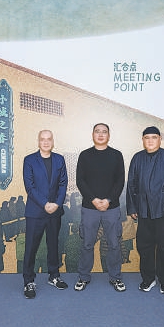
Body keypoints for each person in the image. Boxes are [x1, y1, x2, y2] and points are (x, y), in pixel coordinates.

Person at [126, 126, 164, 295]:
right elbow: (131, 184)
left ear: (160, 139)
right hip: (143, 210)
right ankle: (148, 279)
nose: (150, 141)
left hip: (163, 210)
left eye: (154, 137)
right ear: (143, 140)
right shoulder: (137, 158)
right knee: (144, 247)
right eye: (147, 138)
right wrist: (132, 207)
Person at [74, 123, 127, 292]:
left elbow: (120, 181)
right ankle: (83, 277)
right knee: (87, 244)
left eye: (104, 132)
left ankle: (115, 278)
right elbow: (80, 180)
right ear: (92, 135)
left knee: (114, 244)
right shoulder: (85, 155)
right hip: (90, 208)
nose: (101, 134)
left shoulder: (116, 155)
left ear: (109, 135)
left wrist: (109, 200)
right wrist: (94, 200)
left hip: (112, 208)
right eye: (97, 131)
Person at [21, 129, 69, 299]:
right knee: (31, 247)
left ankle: (54, 276)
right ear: (38, 141)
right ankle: (28, 281)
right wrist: (45, 204)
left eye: (49, 139)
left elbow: (63, 184)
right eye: (43, 139)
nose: (46, 142)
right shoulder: (29, 160)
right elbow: (30, 186)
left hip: (55, 211)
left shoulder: (59, 159)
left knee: (53, 245)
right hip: (35, 211)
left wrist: (57, 203)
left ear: (53, 141)